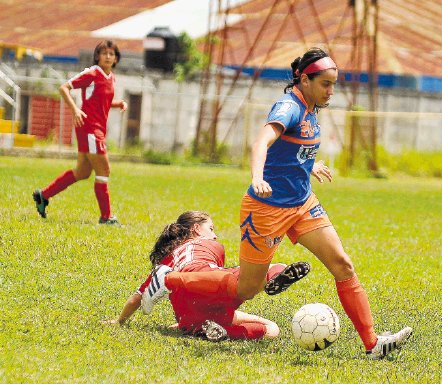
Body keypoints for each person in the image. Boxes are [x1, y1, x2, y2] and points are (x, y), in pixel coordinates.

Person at [144, 48, 412, 359]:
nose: (331, 91)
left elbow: (292, 149)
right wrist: (257, 176)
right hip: (266, 209)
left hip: (302, 204)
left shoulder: (312, 107)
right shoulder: (289, 106)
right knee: (247, 288)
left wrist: (309, 164)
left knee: (343, 265)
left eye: (333, 84)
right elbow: (262, 142)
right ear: (304, 79)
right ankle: (168, 279)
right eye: (325, 83)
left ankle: (372, 344)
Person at [107, 211, 310, 341]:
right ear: (196, 229)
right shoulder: (208, 245)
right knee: (261, 278)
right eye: (211, 229)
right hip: (202, 284)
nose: (214, 235)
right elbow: (209, 278)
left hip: (188, 315)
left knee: (272, 328)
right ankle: (272, 276)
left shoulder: (167, 260)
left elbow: (136, 298)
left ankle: (217, 332)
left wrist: (120, 320)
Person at [33, 40, 128, 225]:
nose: (108, 56)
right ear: (98, 56)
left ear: (116, 58)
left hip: (95, 128)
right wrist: (75, 110)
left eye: (111, 53)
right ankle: (106, 217)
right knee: (104, 170)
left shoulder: (111, 77)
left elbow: (102, 102)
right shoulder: (92, 73)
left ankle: (43, 195)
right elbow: (64, 88)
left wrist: (118, 104)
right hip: (90, 128)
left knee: (83, 172)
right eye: (104, 53)